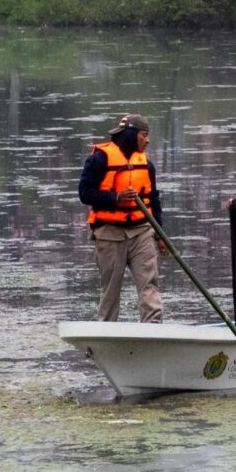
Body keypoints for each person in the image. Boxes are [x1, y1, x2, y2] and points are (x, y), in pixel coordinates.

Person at [79, 115, 162, 323]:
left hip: (142, 231)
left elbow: (154, 200)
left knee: (149, 285)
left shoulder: (147, 165)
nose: (147, 140)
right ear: (132, 135)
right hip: (110, 234)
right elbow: (85, 193)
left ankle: (153, 330)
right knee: (111, 291)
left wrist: (160, 235)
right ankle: (107, 332)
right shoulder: (99, 159)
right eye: (144, 135)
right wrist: (116, 198)